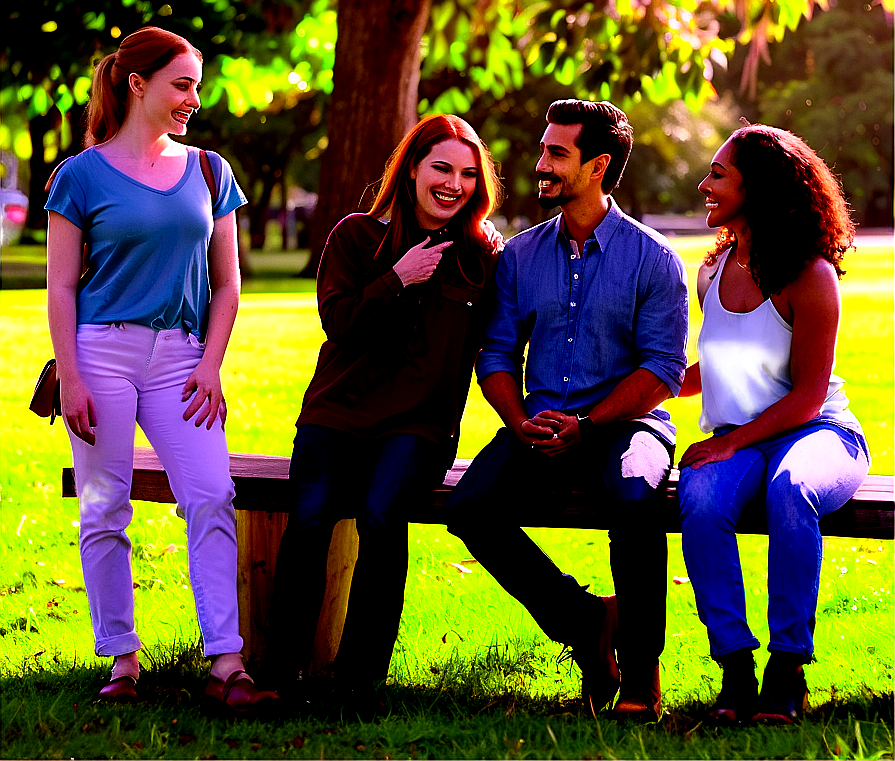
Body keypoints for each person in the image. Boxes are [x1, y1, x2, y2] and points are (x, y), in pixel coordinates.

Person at [46, 26, 278, 711]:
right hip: (101, 354)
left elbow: (229, 283)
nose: (192, 100)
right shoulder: (79, 176)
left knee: (210, 493)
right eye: (181, 85)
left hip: (182, 359)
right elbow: (60, 287)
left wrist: (211, 365)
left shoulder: (211, 171)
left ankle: (227, 664)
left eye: (196, 87)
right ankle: (122, 659)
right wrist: (74, 377)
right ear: (136, 84)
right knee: (106, 510)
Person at [446, 99, 689, 722]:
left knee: (634, 498)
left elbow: (662, 370)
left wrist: (590, 425)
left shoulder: (653, 258)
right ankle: (586, 622)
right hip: (540, 426)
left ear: (598, 166)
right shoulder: (521, 257)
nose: (541, 164)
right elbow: (496, 353)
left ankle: (639, 670)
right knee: (469, 507)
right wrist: (518, 421)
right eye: (544, 149)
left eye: (558, 153)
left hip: (626, 426)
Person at [268, 114, 503, 712]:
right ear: (413, 169)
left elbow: (502, 337)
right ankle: (278, 671)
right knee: (312, 517)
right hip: (338, 412)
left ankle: (357, 678)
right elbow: (340, 324)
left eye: (468, 174)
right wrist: (396, 279)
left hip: (418, 424)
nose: (454, 184)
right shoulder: (355, 237)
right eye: (442, 169)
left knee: (379, 515)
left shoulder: (482, 256)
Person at [677, 124, 870, 724]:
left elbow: (810, 396)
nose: (705, 184)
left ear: (755, 188)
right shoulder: (712, 271)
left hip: (817, 435)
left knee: (791, 491)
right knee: (701, 502)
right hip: (742, 441)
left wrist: (727, 442)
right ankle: (735, 671)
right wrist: (631, 394)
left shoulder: (808, 276)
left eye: (718, 175)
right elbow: (714, 365)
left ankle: (787, 669)